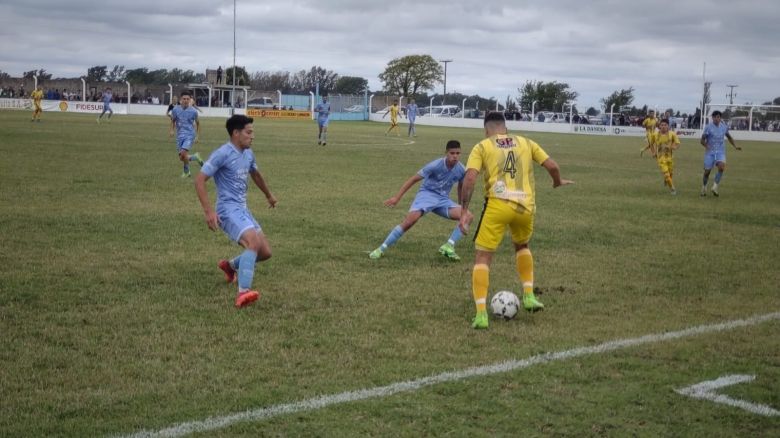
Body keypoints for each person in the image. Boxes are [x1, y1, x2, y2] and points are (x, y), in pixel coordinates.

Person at [459, 112, 573, 329]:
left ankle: (481, 314)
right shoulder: (526, 142)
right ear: (506, 128)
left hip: (498, 205)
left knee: (482, 257)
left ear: (486, 130)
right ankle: (529, 295)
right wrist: (557, 182)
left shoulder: (483, 146)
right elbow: (552, 166)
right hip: (525, 207)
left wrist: (464, 210)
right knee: (522, 245)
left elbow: (470, 177)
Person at [195, 115, 277, 308]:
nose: (252, 136)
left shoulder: (248, 153)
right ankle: (243, 292)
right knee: (253, 243)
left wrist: (269, 195)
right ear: (236, 133)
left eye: (252, 132)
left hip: (242, 209)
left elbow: (255, 174)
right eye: (249, 132)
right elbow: (199, 180)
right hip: (227, 209)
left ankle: (229, 266)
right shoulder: (222, 153)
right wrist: (209, 213)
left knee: (265, 253)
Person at [369, 140, 472, 261]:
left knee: (468, 216)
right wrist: (397, 197)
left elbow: (461, 186)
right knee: (409, 222)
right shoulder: (435, 165)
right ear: (446, 153)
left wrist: (461, 207)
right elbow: (413, 179)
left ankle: (448, 246)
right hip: (427, 195)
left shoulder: (461, 169)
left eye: (458, 153)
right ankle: (381, 249)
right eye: (452, 153)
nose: (455, 156)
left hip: (443, 200)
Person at [700, 110, 741, 197]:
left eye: (719, 117)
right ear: (713, 118)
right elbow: (702, 140)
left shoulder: (724, 127)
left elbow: (729, 137)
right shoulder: (708, 127)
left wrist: (735, 146)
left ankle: (715, 187)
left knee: (721, 167)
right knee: (707, 172)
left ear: (720, 118)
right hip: (710, 152)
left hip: (720, 152)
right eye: (715, 117)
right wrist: (706, 146)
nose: (717, 119)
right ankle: (704, 187)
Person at [169, 90, 203, 177]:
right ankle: (195, 157)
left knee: (184, 154)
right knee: (182, 158)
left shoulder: (193, 111)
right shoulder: (176, 109)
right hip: (179, 135)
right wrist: (172, 130)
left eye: (188, 99)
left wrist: (197, 136)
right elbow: (173, 121)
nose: (186, 100)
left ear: (190, 100)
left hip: (189, 135)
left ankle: (186, 172)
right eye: (184, 99)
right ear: (181, 99)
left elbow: (198, 123)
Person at [650, 119, 681, 195]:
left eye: (665, 125)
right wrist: (653, 152)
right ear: (659, 126)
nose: (663, 126)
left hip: (670, 157)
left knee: (670, 173)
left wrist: (672, 147)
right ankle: (672, 189)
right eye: (662, 125)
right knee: (666, 174)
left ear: (668, 126)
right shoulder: (655, 135)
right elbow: (651, 144)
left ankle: (667, 179)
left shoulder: (672, 134)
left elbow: (677, 143)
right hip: (660, 157)